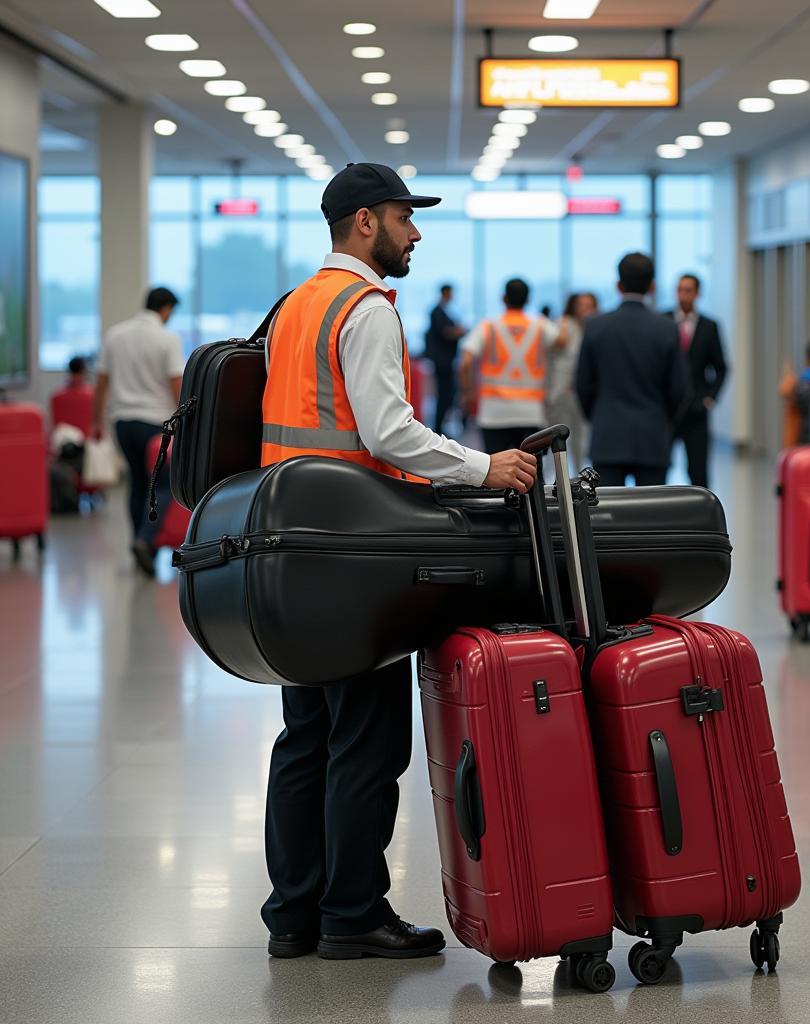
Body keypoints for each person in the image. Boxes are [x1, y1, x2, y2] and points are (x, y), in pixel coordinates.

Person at [258, 162, 537, 963]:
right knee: (368, 742)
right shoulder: (367, 307)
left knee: (305, 738)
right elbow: (387, 432)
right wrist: (486, 468)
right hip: (354, 556)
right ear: (364, 223)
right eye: (404, 217)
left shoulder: (295, 305)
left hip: (294, 552)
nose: (416, 232)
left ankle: (294, 916)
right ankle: (352, 914)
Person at [91, 287, 184, 576]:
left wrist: (96, 420)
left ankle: (138, 542)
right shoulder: (167, 339)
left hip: (123, 423)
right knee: (162, 485)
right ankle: (146, 542)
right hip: (155, 424)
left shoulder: (115, 335)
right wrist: (184, 419)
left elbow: (102, 382)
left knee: (137, 483)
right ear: (166, 309)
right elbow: (175, 385)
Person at [576, 253, 691, 486]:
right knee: (650, 516)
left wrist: (599, 415)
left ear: (618, 285)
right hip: (653, 437)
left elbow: (583, 384)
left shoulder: (596, 326)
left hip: (608, 436)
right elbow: (680, 389)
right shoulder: (667, 328)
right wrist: (664, 421)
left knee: (607, 515)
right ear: (652, 286)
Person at [458, 278, 560, 455]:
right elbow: (562, 340)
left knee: (495, 472)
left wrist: (468, 392)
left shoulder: (488, 326)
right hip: (531, 412)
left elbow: (465, 361)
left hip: (493, 412)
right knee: (532, 475)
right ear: (528, 300)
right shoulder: (541, 326)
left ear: (504, 298)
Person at [667, 273, 728, 488]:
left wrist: (710, 397)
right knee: (660, 466)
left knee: (698, 470)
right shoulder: (662, 321)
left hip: (697, 408)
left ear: (697, 294)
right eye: (680, 289)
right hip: (667, 408)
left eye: (688, 290)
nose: (683, 294)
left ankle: (701, 516)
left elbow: (721, 367)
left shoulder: (709, 326)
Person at [547, 292, 598, 471]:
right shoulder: (564, 326)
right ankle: (559, 476)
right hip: (563, 390)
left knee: (583, 436)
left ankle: (581, 472)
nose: (585, 309)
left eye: (589, 305)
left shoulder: (596, 329)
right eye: (581, 305)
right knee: (560, 434)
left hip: (586, 392)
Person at [424, 283, 467, 434]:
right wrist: (460, 332)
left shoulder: (444, 312)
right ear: (445, 293)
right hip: (442, 362)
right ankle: (438, 429)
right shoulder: (437, 312)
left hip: (446, 361)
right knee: (445, 396)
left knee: (448, 396)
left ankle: (440, 427)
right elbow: (447, 333)